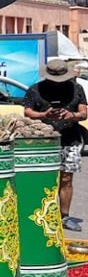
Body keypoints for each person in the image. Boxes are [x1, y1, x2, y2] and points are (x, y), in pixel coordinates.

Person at [24, 58, 88, 232]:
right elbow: (27, 111)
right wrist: (44, 115)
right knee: (43, 178)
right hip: (43, 142)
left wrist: (72, 115)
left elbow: (84, 113)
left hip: (70, 139)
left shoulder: (76, 89)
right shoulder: (36, 89)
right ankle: (42, 213)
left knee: (66, 178)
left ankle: (64, 216)